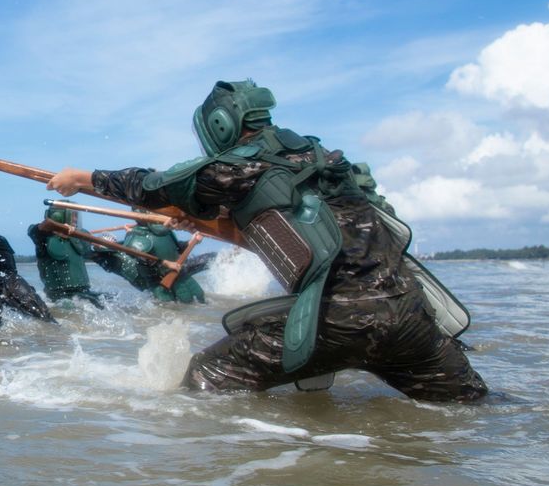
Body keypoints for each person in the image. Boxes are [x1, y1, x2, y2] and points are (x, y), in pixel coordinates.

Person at [46, 79, 487, 402]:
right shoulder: (324, 159)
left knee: (200, 386)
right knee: (472, 409)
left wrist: (80, 179)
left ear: (221, 126)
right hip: (408, 313)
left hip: (333, 320)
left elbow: (152, 185)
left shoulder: (240, 166)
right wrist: (201, 219)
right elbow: (295, 227)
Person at [89, 223, 207, 304]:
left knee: (195, 299)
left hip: (171, 272)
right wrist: (131, 234)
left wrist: (192, 241)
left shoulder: (162, 233)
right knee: (168, 304)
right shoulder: (104, 256)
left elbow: (176, 247)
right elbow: (96, 250)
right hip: (149, 280)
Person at [26, 208, 105, 308]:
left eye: (77, 216)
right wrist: (58, 229)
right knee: (69, 307)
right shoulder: (42, 237)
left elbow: (89, 251)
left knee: (107, 299)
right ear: (60, 216)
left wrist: (102, 247)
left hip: (83, 291)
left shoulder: (78, 236)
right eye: (73, 216)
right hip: (59, 296)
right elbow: (35, 230)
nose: (75, 219)